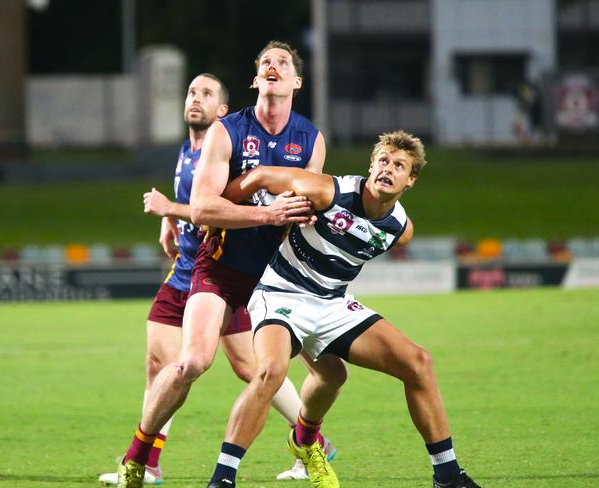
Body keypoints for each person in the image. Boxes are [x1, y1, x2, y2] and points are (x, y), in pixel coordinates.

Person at [116, 41, 345, 487]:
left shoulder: (311, 139)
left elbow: (306, 211)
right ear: (256, 80)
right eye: (264, 63)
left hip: (276, 279)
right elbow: (201, 208)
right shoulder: (228, 131)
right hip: (219, 269)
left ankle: (309, 446)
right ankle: (137, 457)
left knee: (327, 371)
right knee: (192, 362)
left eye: (282, 63)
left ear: (297, 81)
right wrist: (269, 213)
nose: (272, 67)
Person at [203, 130, 482, 488]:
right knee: (271, 372)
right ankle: (223, 478)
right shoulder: (326, 191)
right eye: (383, 161)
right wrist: (220, 217)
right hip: (282, 293)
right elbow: (257, 177)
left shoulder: (401, 229)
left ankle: (447, 477)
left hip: (331, 302)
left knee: (415, 364)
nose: (388, 169)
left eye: (399, 166)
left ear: (410, 180)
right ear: (370, 165)